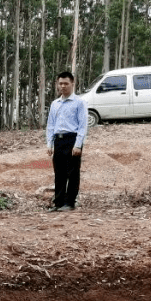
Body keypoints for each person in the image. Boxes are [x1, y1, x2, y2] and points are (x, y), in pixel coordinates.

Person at [46, 71, 88, 211]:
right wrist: (49, 143)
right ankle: (58, 203)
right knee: (59, 172)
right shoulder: (55, 104)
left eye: (66, 83)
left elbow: (83, 125)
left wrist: (78, 145)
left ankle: (69, 203)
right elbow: (51, 125)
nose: (63, 86)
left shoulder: (79, 102)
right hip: (59, 140)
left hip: (72, 139)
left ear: (72, 84)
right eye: (61, 83)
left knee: (73, 172)